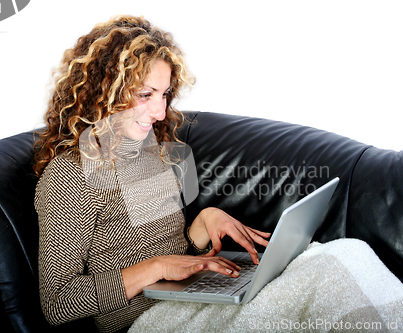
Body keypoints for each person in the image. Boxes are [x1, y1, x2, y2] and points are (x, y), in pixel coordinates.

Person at [33, 15, 271, 333]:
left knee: (333, 257)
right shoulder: (69, 176)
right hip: (148, 322)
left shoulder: (149, 149)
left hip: (188, 302)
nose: (160, 113)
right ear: (104, 91)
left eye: (164, 95)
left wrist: (203, 227)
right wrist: (155, 268)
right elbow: (58, 302)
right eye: (145, 95)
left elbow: (170, 257)